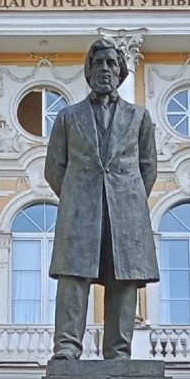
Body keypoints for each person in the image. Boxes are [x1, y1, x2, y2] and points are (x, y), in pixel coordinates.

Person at [43, 37, 159, 361]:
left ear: (120, 71)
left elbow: (148, 167)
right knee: (73, 278)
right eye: (98, 63)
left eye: (111, 63)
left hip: (125, 211)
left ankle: (119, 350)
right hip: (80, 210)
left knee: (124, 280)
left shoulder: (139, 118)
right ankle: (67, 346)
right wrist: (76, 199)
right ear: (88, 71)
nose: (104, 69)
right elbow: (54, 168)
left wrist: (128, 201)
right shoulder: (68, 117)